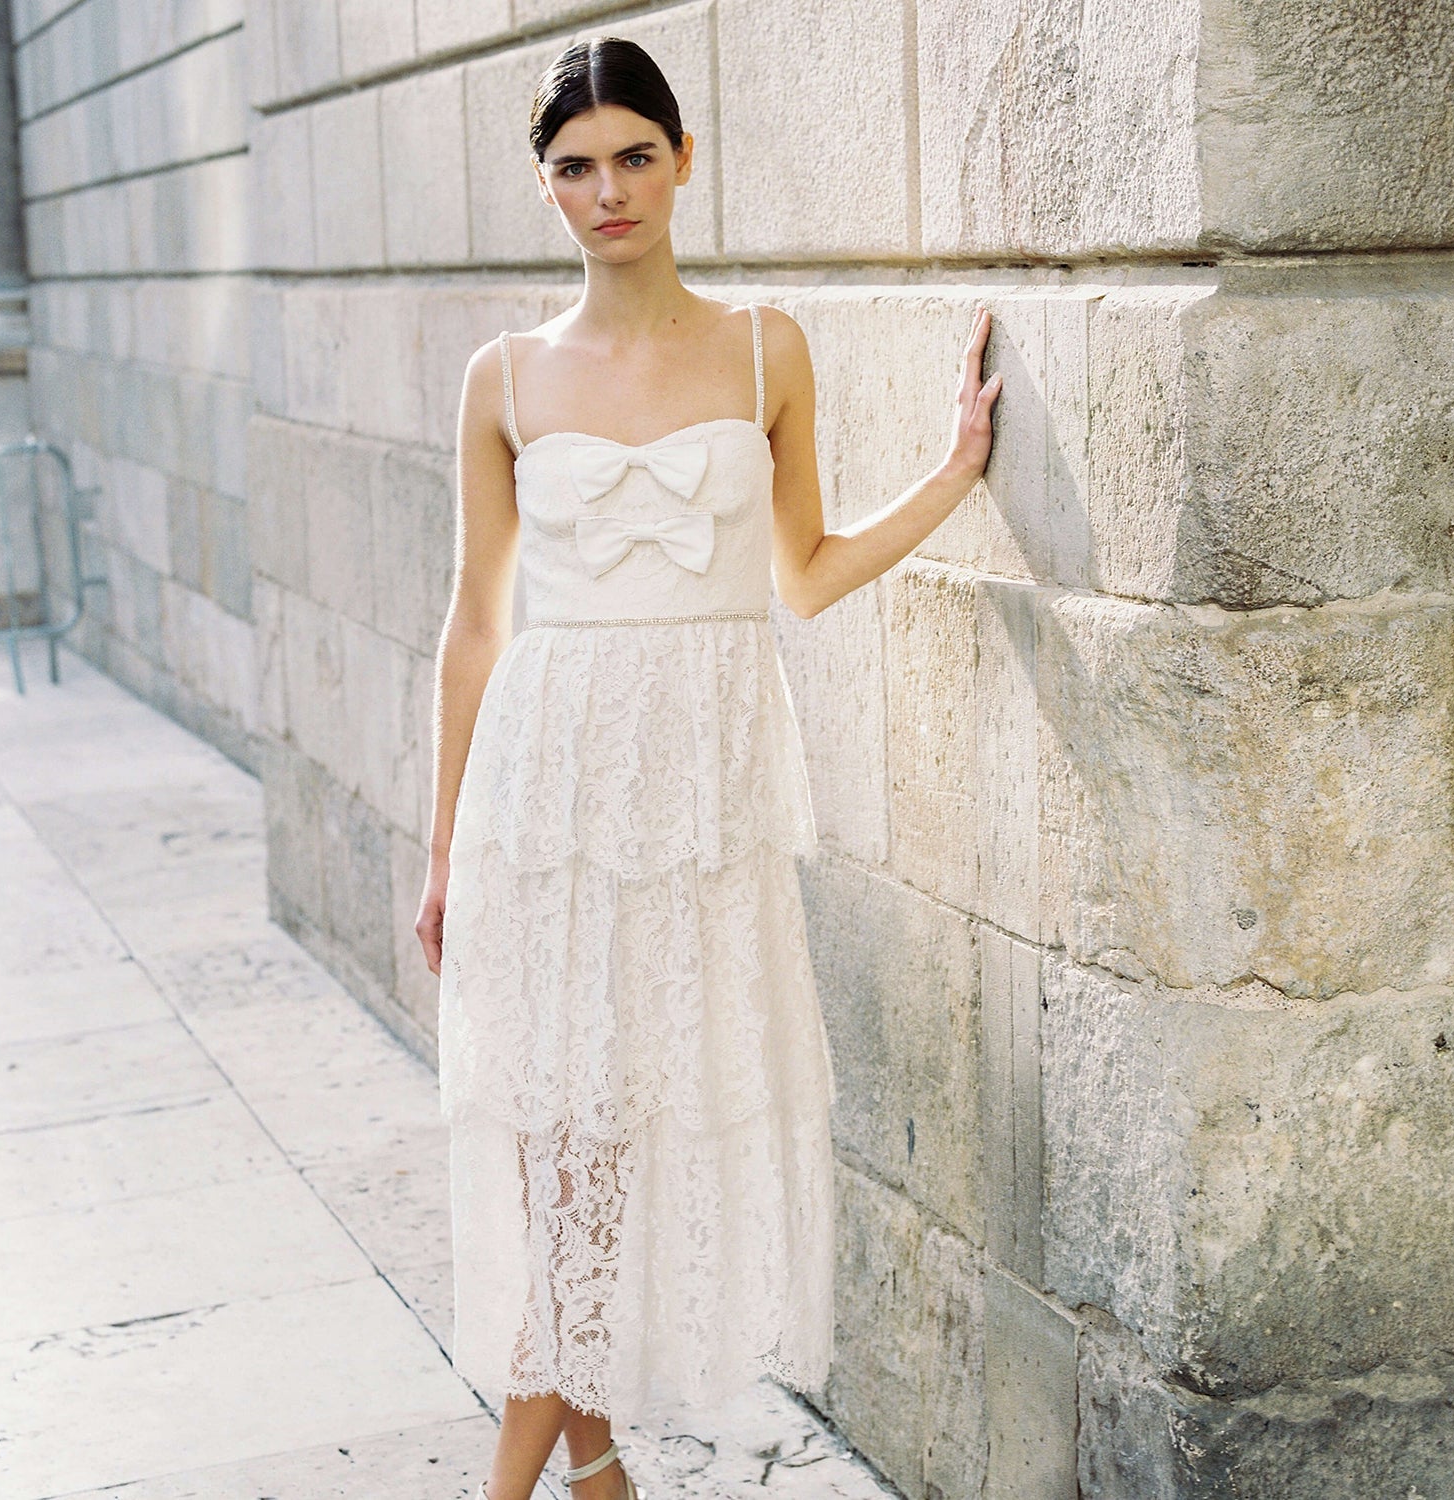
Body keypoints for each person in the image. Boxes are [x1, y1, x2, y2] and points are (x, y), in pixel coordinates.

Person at [414, 33, 1001, 1500]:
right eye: (573, 166)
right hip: (546, 804)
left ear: (683, 161)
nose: (607, 190)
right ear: (542, 186)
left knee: (621, 1141)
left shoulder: (764, 348)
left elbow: (799, 573)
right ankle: (545, 1481)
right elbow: (476, 624)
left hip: (696, 799)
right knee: (573, 1164)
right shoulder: (502, 377)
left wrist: (950, 473)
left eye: (634, 155)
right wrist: (441, 856)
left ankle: (594, 1471)